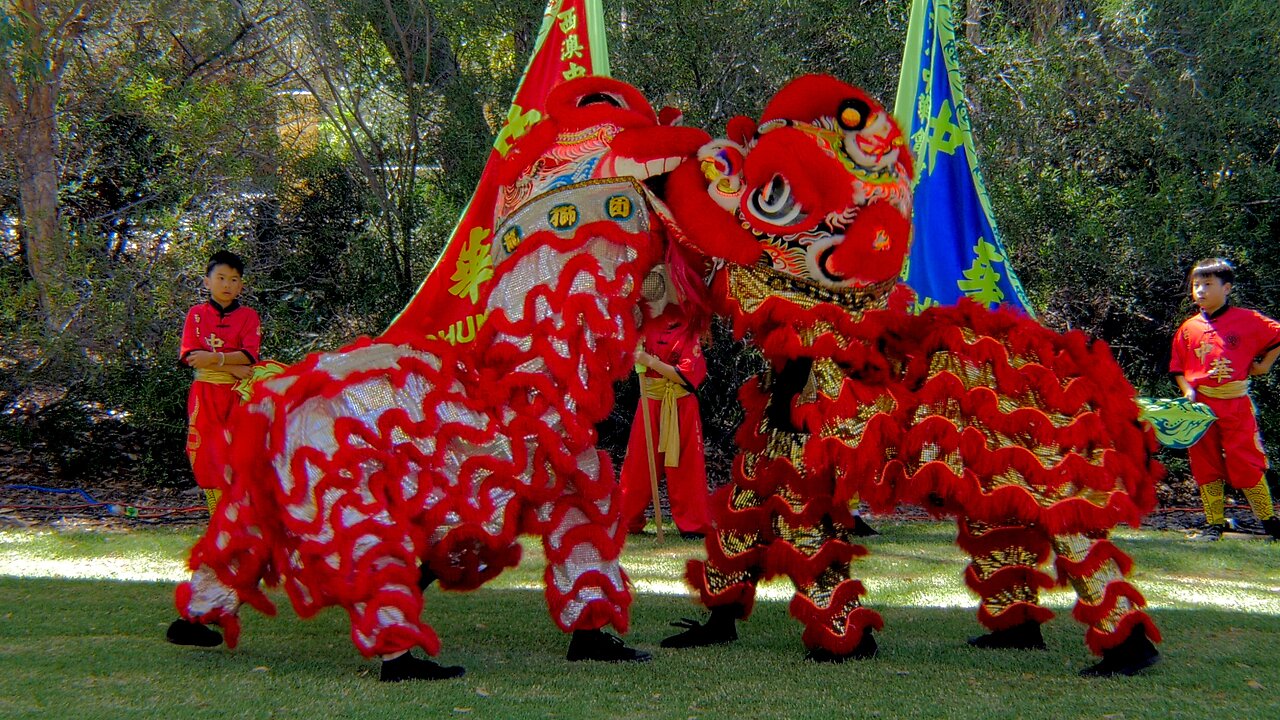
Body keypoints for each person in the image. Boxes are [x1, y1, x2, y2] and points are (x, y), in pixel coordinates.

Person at [167, 250, 261, 648]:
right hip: (206, 401)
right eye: (221, 277)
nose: (228, 284)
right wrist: (228, 361)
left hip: (237, 399)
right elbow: (192, 358)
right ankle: (220, 528)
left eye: (235, 279)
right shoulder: (196, 315)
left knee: (240, 467)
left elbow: (250, 359)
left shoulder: (249, 317)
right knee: (210, 467)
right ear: (207, 281)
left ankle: (229, 529)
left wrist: (218, 360)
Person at [1171, 257, 1280, 541]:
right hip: (1201, 408)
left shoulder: (1248, 320)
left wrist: (1265, 364)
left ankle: (1269, 523)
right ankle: (1214, 523)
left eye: (1208, 285)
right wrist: (1187, 390)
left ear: (1227, 287)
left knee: (1245, 461)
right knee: (1205, 463)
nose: (1201, 291)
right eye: (1196, 285)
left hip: (1235, 404)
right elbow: (1177, 368)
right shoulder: (1188, 329)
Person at [618, 306, 712, 539]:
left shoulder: (691, 329)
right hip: (650, 401)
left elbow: (687, 376)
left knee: (685, 464)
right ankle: (626, 518)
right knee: (639, 461)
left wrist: (650, 361)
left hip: (680, 405)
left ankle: (692, 523)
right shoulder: (647, 324)